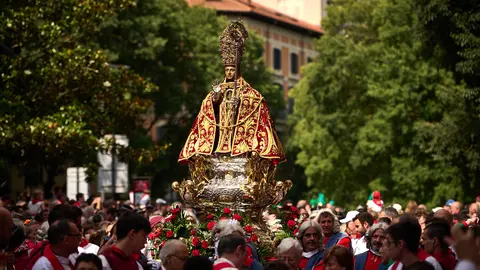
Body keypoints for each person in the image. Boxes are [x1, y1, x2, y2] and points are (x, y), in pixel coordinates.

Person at [178, 20, 285, 164]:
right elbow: (207, 109)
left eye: (232, 70)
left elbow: (256, 104)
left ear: (237, 70)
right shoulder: (218, 89)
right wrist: (215, 100)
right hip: (221, 128)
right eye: (227, 70)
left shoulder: (248, 92)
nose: (229, 73)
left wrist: (240, 103)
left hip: (237, 133)